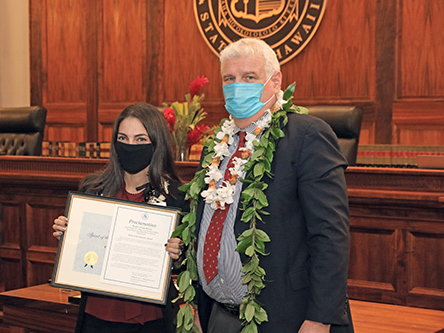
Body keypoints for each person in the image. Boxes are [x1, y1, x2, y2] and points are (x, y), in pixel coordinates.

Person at [168, 38, 354, 332]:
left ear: (275, 80)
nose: (236, 85)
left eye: (249, 77)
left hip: (287, 318)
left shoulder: (306, 136)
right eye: (229, 78)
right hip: (218, 316)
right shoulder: (215, 146)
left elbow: (330, 235)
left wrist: (320, 319)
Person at [52, 103, 185, 333]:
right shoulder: (92, 189)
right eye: (123, 138)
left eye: (140, 139)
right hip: (96, 316)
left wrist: (179, 254)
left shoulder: (176, 197)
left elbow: (186, 265)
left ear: (157, 143)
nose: (130, 146)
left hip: (151, 321)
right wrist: (67, 235)